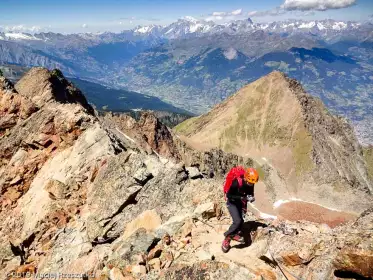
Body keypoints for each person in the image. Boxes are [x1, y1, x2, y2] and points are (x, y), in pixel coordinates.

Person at [222, 167, 259, 253]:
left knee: (241, 220)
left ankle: (235, 233)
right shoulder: (236, 183)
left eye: (252, 183)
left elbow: (250, 192)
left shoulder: (251, 183)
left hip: (240, 202)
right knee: (237, 221)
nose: (251, 184)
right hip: (231, 202)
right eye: (250, 182)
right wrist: (242, 197)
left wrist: (251, 197)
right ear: (246, 178)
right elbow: (229, 195)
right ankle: (227, 237)